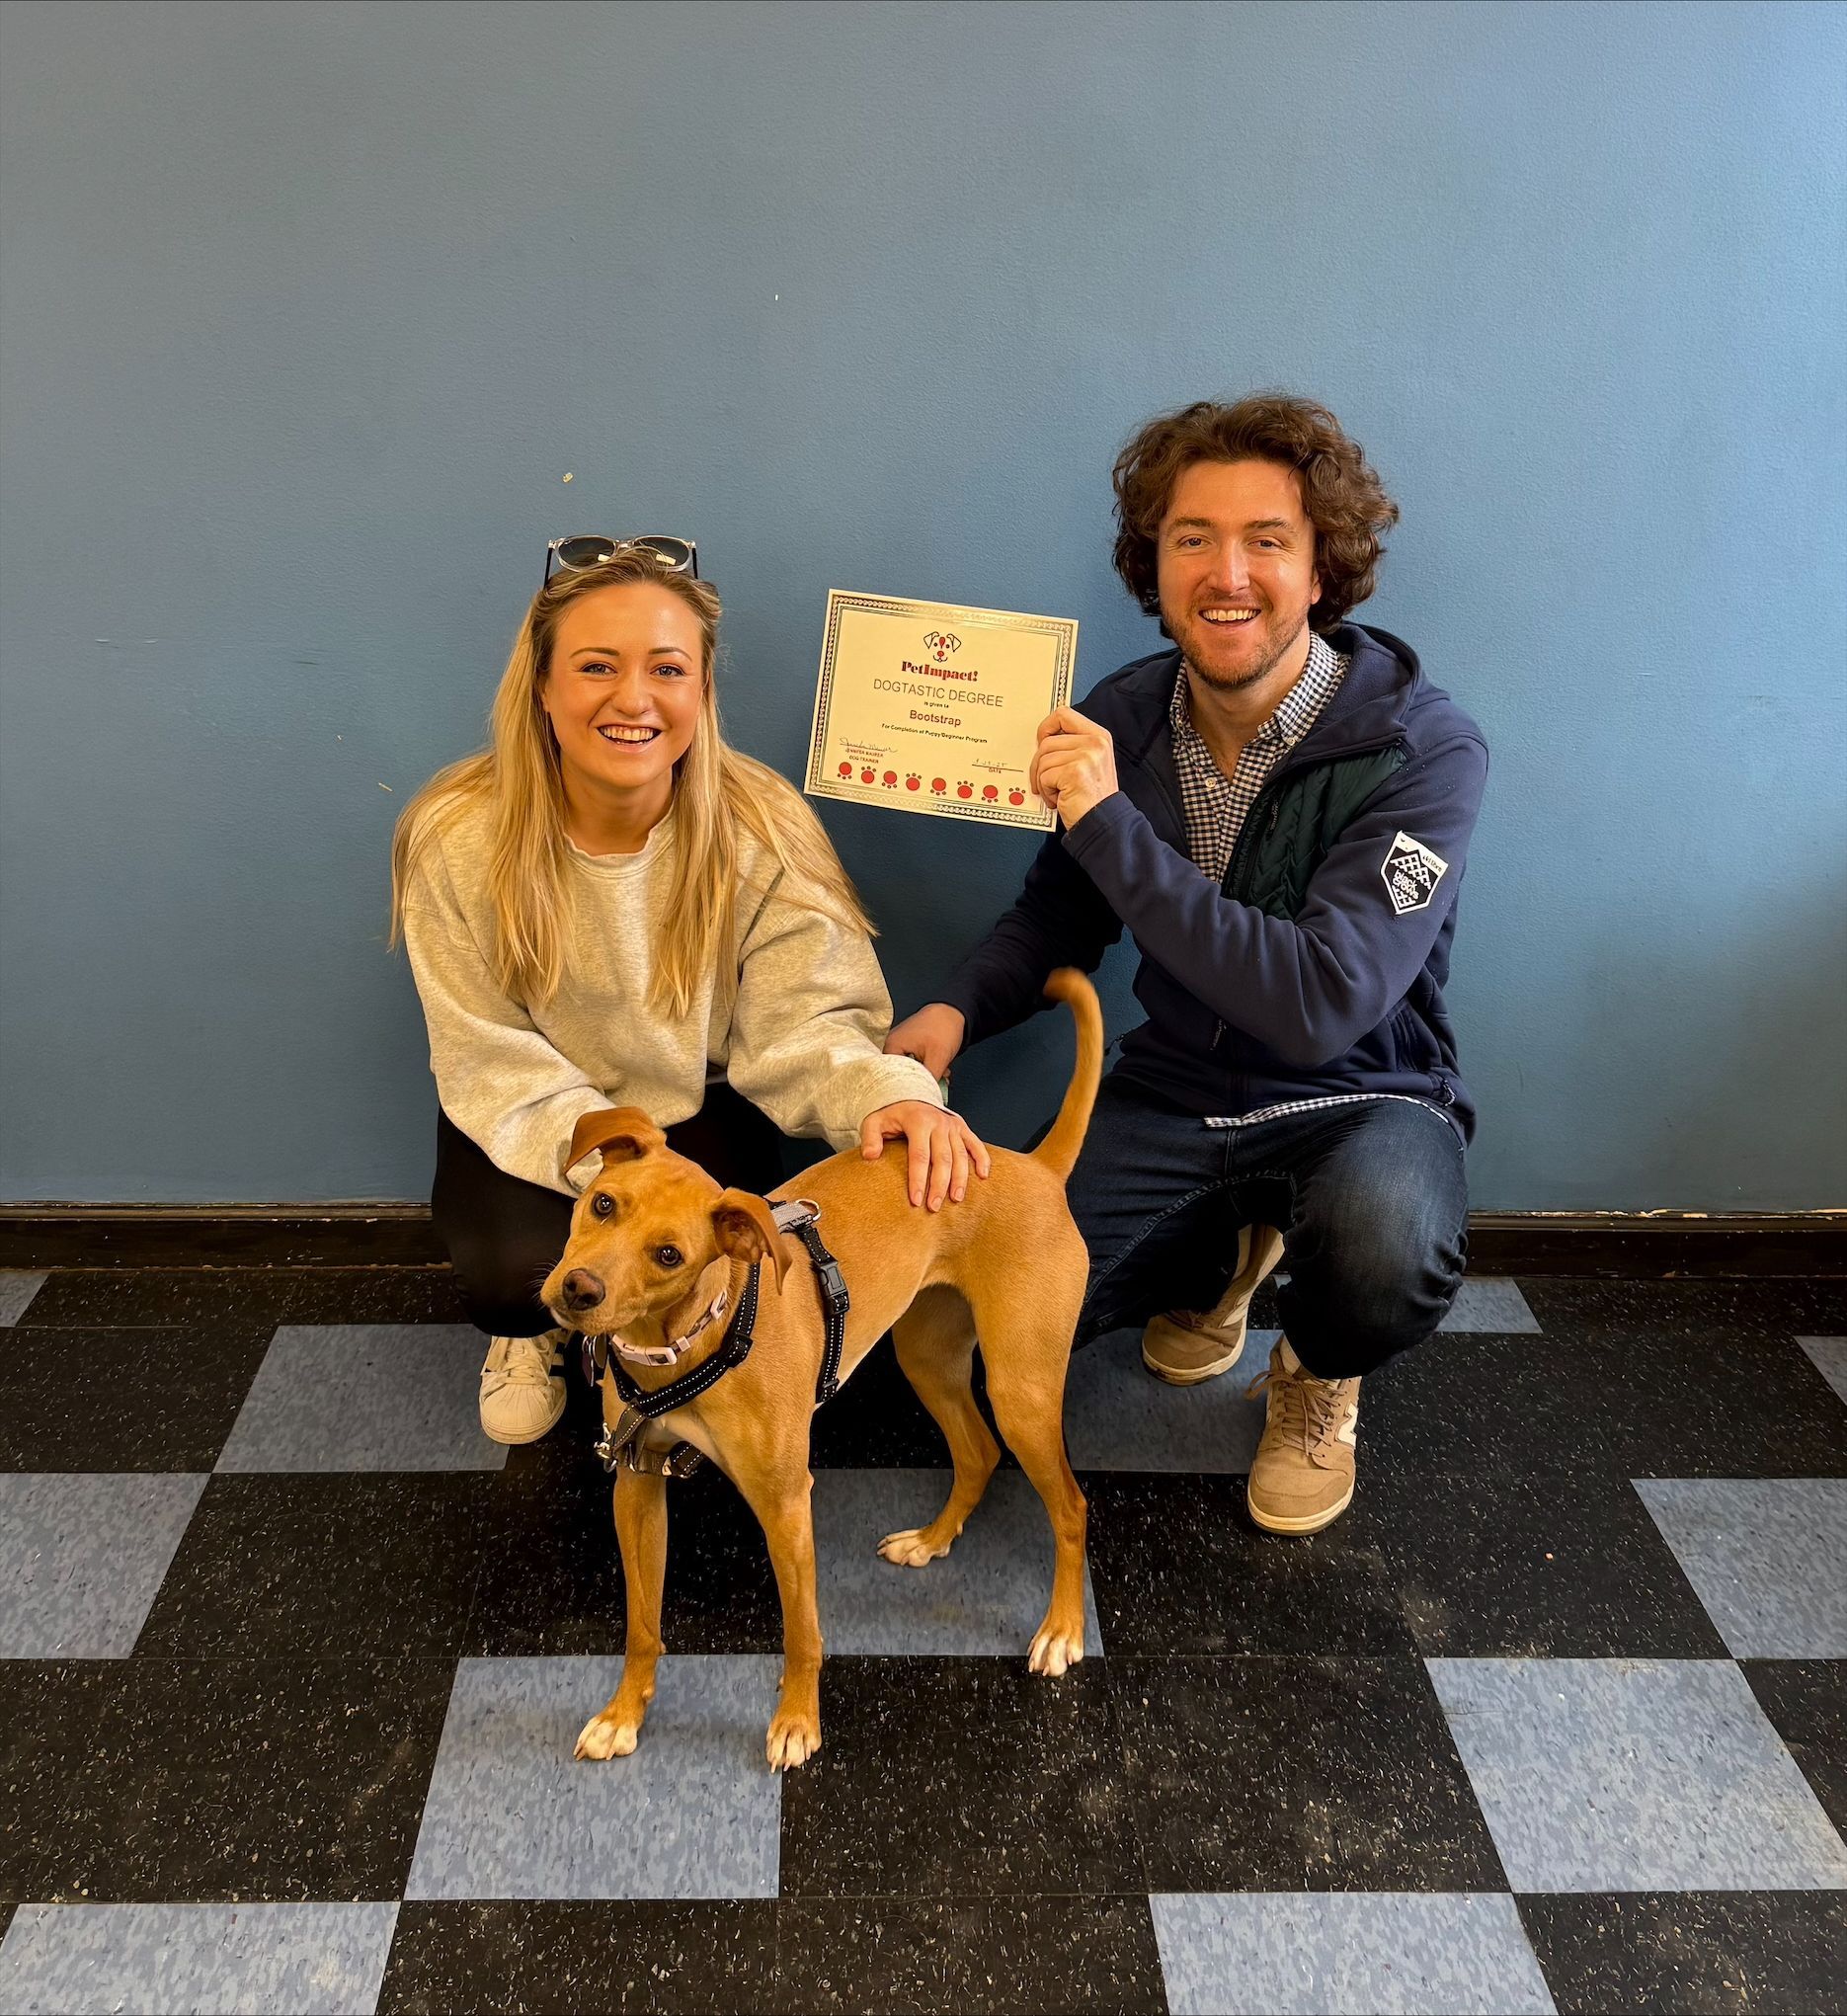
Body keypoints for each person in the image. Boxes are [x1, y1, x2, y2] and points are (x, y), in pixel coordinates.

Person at [888, 396, 1486, 1534]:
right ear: (1152, 565)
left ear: (1321, 571)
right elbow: (1056, 918)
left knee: (1383, 1250)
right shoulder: (1123, 713)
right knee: (1004, 1325)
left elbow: (1318, 1002)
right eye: (1191, 538)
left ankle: (1317, 1367)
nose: (1228, 573)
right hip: (1182, 1092)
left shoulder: (1426, 746)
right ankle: (1224, 1266)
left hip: (1368, 1092)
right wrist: (954, 1011)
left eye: (1268, 539)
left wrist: (1108, 821)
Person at [392, 537, 987, 1443]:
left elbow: (806, 1025)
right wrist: (615, 1183)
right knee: (518, 1272)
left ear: (702, 694)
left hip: (709, 1105)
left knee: (731, 1263)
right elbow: (486, 1052)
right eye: (597, 666)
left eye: (666, 669)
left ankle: (669, 1343)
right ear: (542, 687)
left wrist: (893, 1095)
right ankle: (550, 1331)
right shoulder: (454, 835)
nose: (633, 698)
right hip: (540, 1112)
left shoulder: (763, 826)